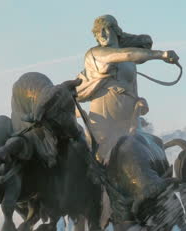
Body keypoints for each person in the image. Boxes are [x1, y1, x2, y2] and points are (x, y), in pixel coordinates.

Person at [75, 15, 179, 164]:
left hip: (129, 117)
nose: (102, 35)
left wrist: (138, 102)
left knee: (148, 151)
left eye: (105, 29)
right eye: (97, 32)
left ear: (115, 31)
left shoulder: (129, 61)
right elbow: (128, 54)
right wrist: (161, 54)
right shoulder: (95, 53)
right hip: (105, 118)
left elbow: (142, 44)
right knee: (99, 160)